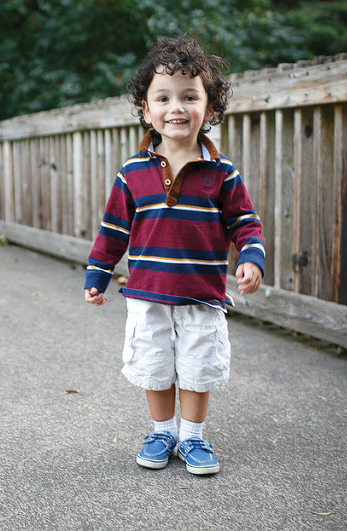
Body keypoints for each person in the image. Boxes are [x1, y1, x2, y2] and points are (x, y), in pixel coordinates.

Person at [84, 36, 265, 475]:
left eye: (189, 96)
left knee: (199, 368)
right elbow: (113, 229)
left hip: (202, 295)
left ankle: (193, 437)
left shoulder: (222, 173)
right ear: (146, 110)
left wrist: (251, 257)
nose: (176, 107)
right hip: (147, 294)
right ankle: (162, 431)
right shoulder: (132, 172)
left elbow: (245, 221)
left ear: (210, 108)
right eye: (163, 98)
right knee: (155, 366)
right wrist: (97, 275)